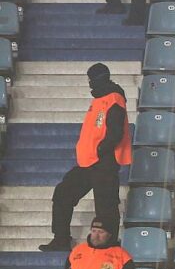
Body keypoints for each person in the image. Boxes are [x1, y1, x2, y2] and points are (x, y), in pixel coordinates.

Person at [40, 63, 131, 252]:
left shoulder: (114, 97)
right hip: (88, 161)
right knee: (63, 192)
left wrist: (99, 150)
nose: (91, 83)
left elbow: (115, 133)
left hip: (104, 161)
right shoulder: (101, 97)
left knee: (106, 206)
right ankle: (61, 238)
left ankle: (109, 246)